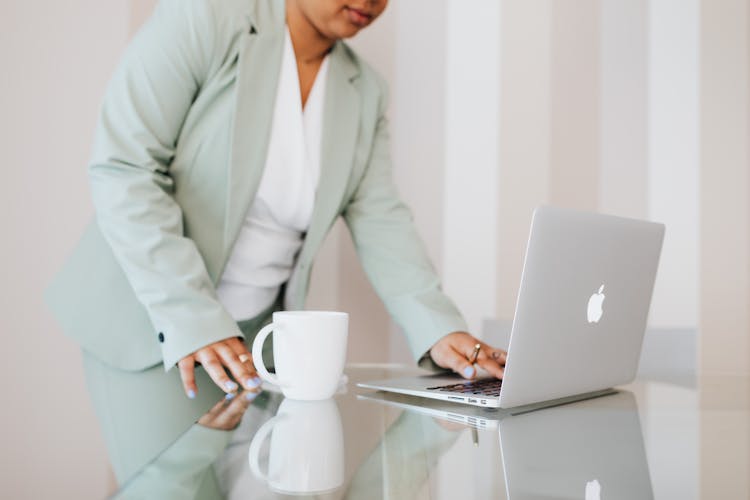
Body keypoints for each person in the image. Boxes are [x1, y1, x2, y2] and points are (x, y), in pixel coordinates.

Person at [45, 0, 507, 482]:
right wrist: (196, 319)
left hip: (260, 346)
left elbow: (382, 219)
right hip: (152, 324)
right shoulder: (205, 19)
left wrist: (439, 329)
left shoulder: (364, 90)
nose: (370, 1)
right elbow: (124, 169)